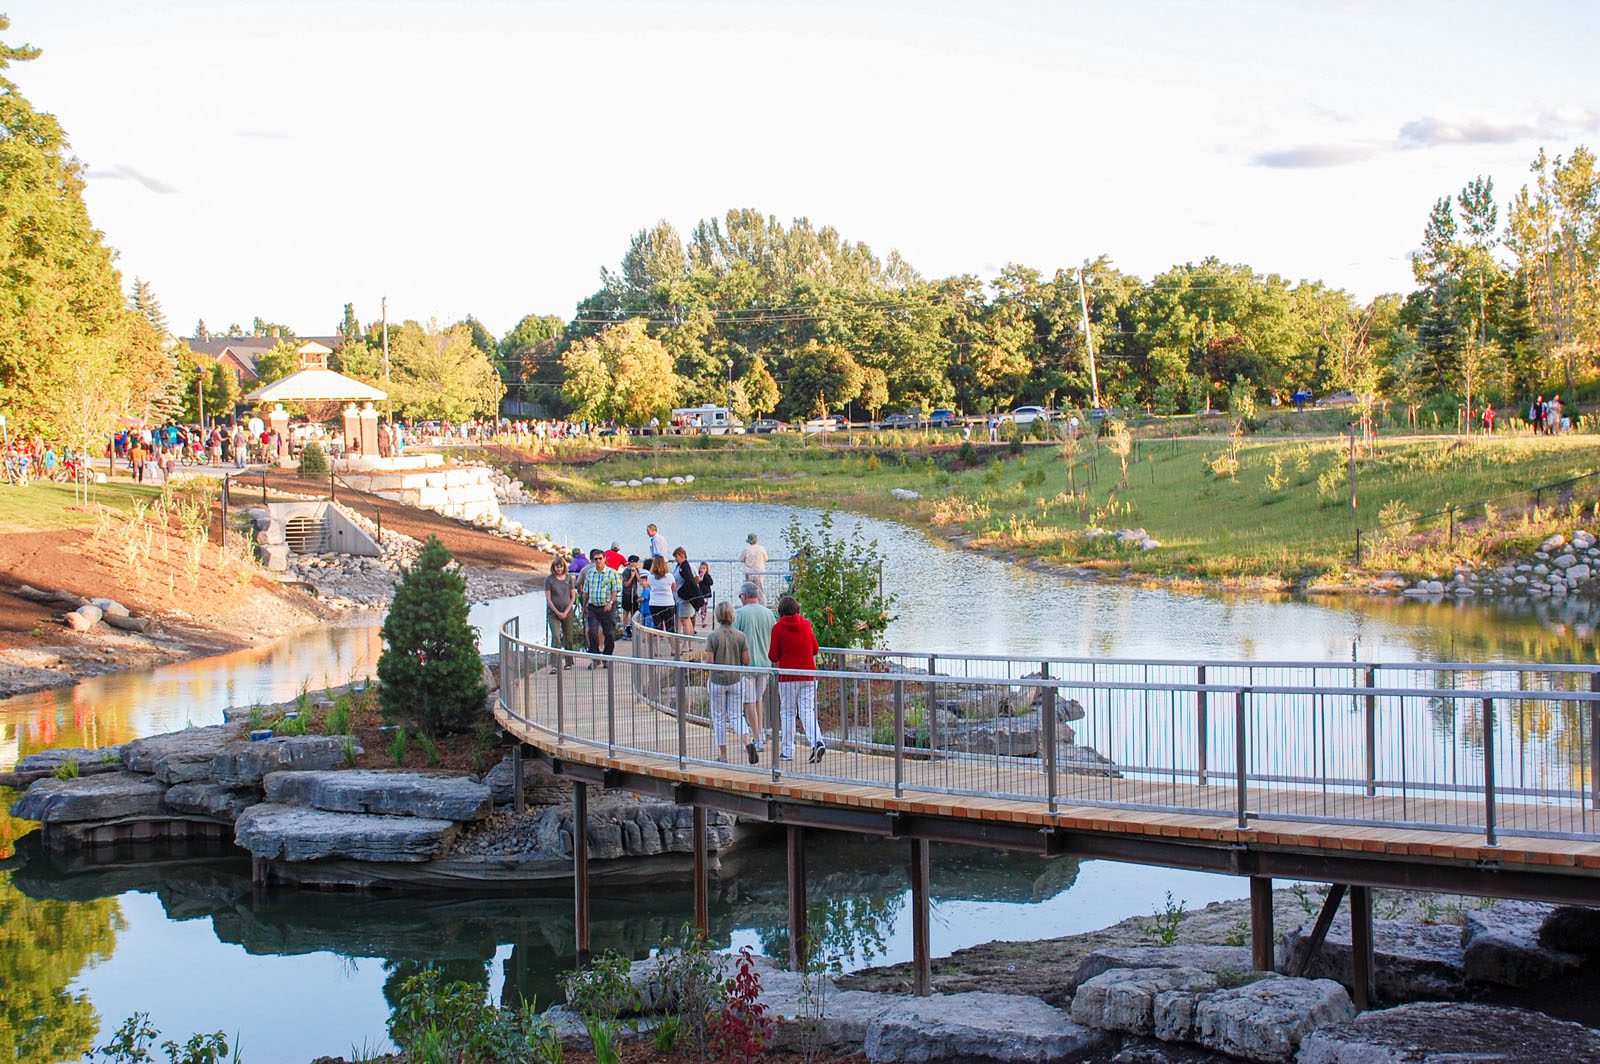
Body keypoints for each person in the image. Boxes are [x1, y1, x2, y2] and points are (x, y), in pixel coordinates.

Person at [769, 595, 825, 764]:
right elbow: (815, 649)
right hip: (809, 675)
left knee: (787, 712)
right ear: (797, 609)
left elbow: (773, 655)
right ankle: (817, 741)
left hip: (788, 677)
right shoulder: (806, 624)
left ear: (780, 612)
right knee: (807, 711)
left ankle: (788, 751)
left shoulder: (778, 628)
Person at [733, 580, 777, 764]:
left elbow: (735, 637)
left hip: (748, 665)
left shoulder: (740, 614)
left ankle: (757, 737)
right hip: (765, 663)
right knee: (758, 699)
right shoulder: (768, 613)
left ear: (744, 596)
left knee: (749, 702)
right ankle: (760, 734)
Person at [706, 601, 751, 763]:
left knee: (719, 717)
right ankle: (748, 742)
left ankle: (723, 755)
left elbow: (710, 661)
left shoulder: (712, 636)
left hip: (717, 680)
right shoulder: (740, 636)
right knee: (737, 716)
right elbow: (746, 660)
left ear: (717, 616)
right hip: (736, 680)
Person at [582, 548, 621, 665]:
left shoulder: (612, 573)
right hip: (593, 607)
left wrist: (610, 602)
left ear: (604, 559)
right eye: (596, 559)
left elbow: (615, 590)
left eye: (600, 558)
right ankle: (595, 657)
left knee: (609, 633)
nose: (598, 561)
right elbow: (586, 591)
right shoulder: (590, 573)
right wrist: (584, 606)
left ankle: (607, 657)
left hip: (607, 607)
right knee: (592, 632)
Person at [544, 555, 577, 668]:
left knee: (568, 637)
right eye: (557, 567)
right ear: (554, 567)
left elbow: (573, 596)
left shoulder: (569, 579)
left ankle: (569, 662)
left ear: (564, 567)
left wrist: (566, 611)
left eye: (561, 567)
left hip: (567, 611)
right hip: (554, 612)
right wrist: (557, 612)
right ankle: (555, 664)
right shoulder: (549, 580)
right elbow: (548, 598)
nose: (559, 569)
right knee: (556, 636)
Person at [672, 547, 703, 634]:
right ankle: (688, 643)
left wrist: (681, 591)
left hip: (684, 597)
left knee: (685, 620)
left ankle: (686, 643)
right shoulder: (681, 566)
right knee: (686, 619)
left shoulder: (685, 567)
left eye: (676, 557)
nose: (676, 559)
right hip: (681, 597)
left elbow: (690, 581)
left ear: (681, 556)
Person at [648, 555, 677, 632]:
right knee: (670, 628)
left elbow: (650, 587)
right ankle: (672, 644)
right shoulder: (670, 576)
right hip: (668, 603)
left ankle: (657, 643)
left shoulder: (650, 576)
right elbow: (674, 588)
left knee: (657, 628)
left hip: (654, 603)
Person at [739, 532, 770, 599]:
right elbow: (766, 559)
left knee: (749, 591)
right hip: (760, 572)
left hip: (749, 572)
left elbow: (741, 559)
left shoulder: (746, 549)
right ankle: (762, 605)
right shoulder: (761, 549)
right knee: (761, 591)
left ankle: (749, 603)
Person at [621, 555, 641, 638]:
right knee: (626, 612)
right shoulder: (625, 572)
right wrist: (631, 576)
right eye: (636, 562)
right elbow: (626, 584)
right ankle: (625, 629)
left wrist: (635, 573)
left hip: (634, 594)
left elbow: (640, 580)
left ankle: (633, 628)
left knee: (634, 613)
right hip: (627, 594)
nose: (637, 564)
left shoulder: (636, 570)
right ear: (631, 562)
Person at [696, 561, 715, 628]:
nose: (702, 570)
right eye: (701, 568)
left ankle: (704, 620)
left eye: (704, 568)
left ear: (706, 569)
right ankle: (702, 618)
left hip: (706, 594)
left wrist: (705, 576)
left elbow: (711, 582)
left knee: (704, 607)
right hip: (700, 593)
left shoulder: (707, 576)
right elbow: (697, 582)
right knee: (702, 607)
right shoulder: (698, 575)